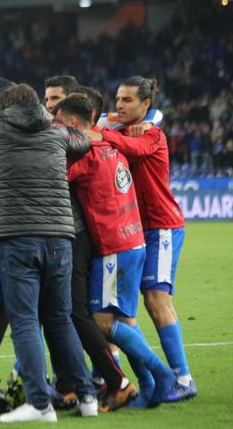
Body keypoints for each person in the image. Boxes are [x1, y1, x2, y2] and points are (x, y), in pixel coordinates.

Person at [0, 83, 97, 423]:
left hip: (16, 239)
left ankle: (40, 405)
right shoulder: (59, 133)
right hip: (60, 237)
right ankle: (87, 397)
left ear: (4, 108)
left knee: (25, 321)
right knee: (60, 319)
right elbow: (85, 141)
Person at [56, 95, 180, 408]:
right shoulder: (114, 145)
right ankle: (151, 388)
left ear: (72, 124)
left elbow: (53, 176)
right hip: (133, 241)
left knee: (101, 323)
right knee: (123, 320)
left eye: (58, 123)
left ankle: (161, 373)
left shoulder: (86, 157)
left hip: (114, 248)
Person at [100, 76, 197, 401]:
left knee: (156, 301)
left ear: (146, 105)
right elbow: (101, 122)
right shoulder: (120, 127)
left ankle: (183, 378)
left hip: (162, 227)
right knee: (124, 312)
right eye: (118, 99)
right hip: (134, 232)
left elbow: (132, 147)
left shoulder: (152, 134)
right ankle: (148, 379)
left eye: (128, 100)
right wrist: (107, 128)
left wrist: (104, 132)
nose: (120, 105)